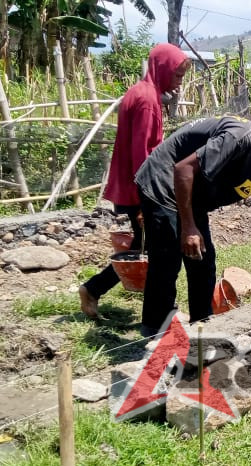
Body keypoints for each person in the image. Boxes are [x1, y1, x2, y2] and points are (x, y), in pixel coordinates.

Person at [133, 115, 251, 337]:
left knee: (203, 263)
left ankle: (202, 331)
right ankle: (154, 335)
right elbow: (183, 169)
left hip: (191, 196)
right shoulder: (240, 138)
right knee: (167, 263)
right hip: (163, 181)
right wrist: (188, 227)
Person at [79, 43, 190, 319]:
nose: (179, 82)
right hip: (139, 187)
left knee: (143, 246)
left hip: (133, 184)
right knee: (156, 248)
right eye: (176, 75)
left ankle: (97, 289)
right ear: (162, 68)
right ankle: (155, 308)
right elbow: (142, 153)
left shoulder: (141, 91)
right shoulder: (147, 101)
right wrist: (146, 201)